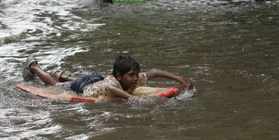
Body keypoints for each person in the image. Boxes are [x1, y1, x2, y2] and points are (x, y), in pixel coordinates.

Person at [22, 55, 193, 101]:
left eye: (135, 75)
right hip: (84, 87)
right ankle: (34, 66)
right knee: (56, 86)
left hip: (96, 80)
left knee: (91, 80)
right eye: (131, 75)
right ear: (120, 76)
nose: (135, 79)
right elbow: (111, 89)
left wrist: (180, 79)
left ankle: (63, 74)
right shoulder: (113, 82)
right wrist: (131, 98)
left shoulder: (133, 78)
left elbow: (155, 72)